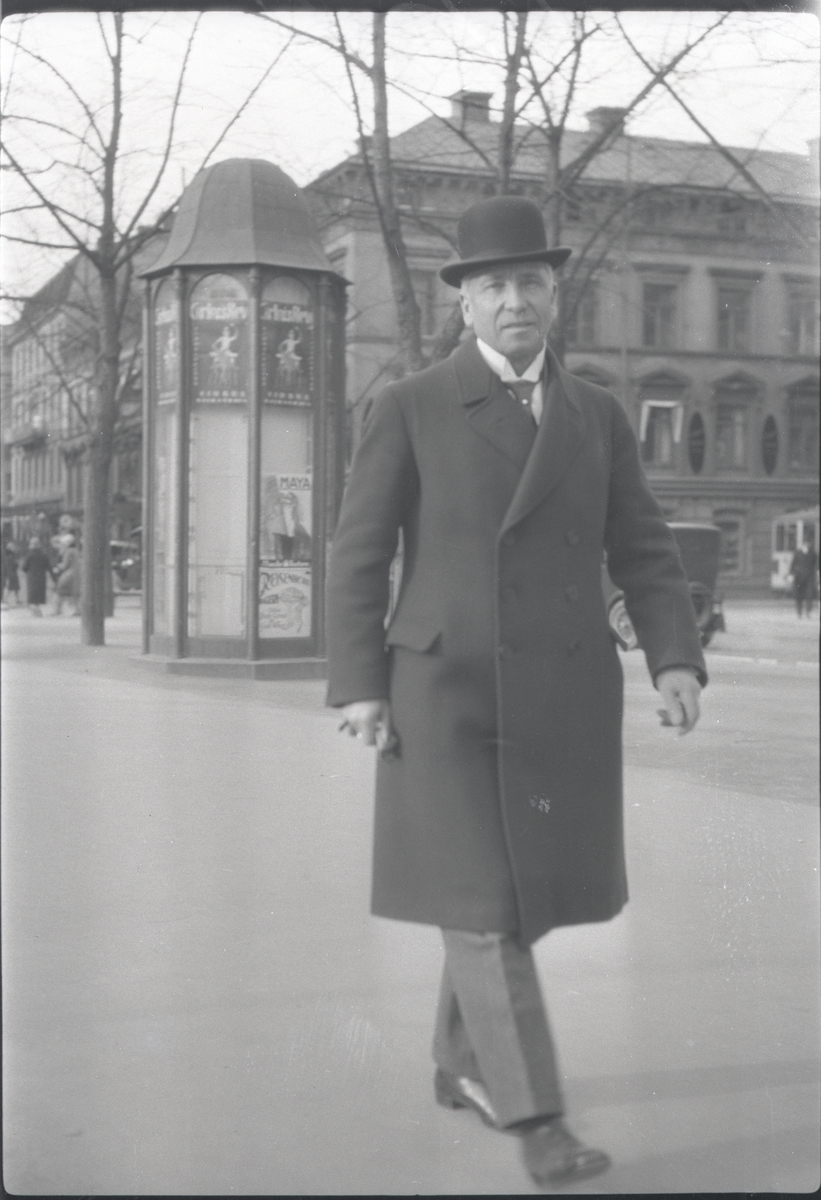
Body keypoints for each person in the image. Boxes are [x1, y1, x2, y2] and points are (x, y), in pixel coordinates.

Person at [325, 196, 706, 1191]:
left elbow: (645, 550)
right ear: (461, 304)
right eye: (490, 285)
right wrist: (358, 682)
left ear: (553, 294)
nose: (512, 301)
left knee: (505, 901)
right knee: (489, 905)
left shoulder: (595, 416)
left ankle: (460, 1058)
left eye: (529, 282)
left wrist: (672, 657)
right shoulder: (408, 404)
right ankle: (536, 1116)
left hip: (561, 698)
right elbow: (360, 555)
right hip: (440, 693)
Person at [21, 537, 54, 616]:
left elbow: (24, 567)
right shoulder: (44, 555)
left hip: (32, 577)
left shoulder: (29, 555)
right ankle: (37, 608)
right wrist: (54, 578)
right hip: (42, 577)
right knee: (39, 594)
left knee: (32, 594)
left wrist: (27, 571)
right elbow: (49, 567)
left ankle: (35, 610)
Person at [789, 533, 817, 617]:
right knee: (799, 595)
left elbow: (815, 564)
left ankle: (808, 611)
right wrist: (791, 574)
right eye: (806, 543)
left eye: (809, 543)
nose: (808, 544)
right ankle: (799, 612)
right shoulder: (797, 553)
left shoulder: (813, 553)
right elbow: (793, 564)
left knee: (809, 594)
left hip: (809, 577)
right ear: (803, 544)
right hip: (799, 577)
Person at [54, 534, 80, 616]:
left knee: (59, 591)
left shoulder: (68, 551)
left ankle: (57, 610)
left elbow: (65, 564)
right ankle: (77, 610)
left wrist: (57, 567)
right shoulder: (76, 550)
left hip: (69, 574)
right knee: (74, 593)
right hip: (77, 573)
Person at [2, 540, 21, 607]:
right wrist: (17, 564)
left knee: (15, 587)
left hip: (11, 572)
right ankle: (6, 599)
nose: (14, 548)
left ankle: (17, 599)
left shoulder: (8, 554)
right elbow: (13, 564)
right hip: (12, 572)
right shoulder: (10, 555)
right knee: (11, 587)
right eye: (13, 547)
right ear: (10, 547)